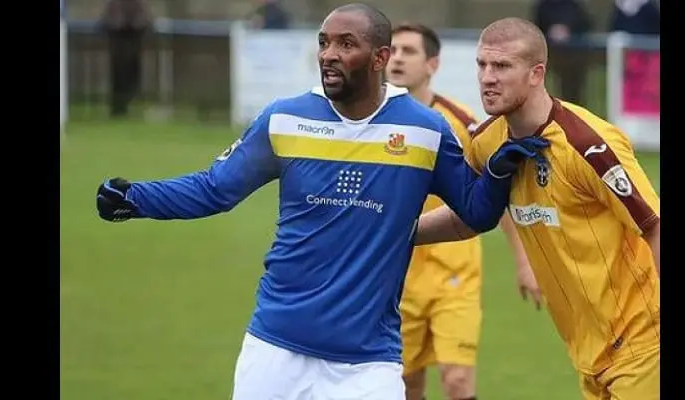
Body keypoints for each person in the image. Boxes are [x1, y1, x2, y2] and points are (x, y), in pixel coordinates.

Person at [94, 4, 550, 400]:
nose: (329, 54)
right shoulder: (285, 119)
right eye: (324, 42)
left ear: (380, 58)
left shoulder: (424, 129)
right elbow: (216, 188)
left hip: (368, 363)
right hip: (274, 348)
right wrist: (135, 198)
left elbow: (476, 212)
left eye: (345, 44)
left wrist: (495, 173)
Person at [415, 17, 660, 400]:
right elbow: (471, 217)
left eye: (502, 66)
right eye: (482, 65)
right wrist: (398, 232)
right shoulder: (487, 141)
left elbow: (653, 226)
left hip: (645, 343)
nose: (488, 77)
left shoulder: (589, 144)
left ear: (536, 73)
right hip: (591, 352)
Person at [387, 22, 541, 400]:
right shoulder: (372, 123)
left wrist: (524, 262)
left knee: (457, 381)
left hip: (454, 276)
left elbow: (492, 197)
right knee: (405, 383)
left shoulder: (461, 123)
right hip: (395, 274)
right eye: (391, 51)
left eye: (409, 51)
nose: (396, 59)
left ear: (433, 64)